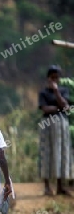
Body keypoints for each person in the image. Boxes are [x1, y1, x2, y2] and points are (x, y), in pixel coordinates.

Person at [39, 65, 71, 195]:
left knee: (61, 152)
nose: (55, 80)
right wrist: (60, 108)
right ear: (48, 78)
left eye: (57, 77)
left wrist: (56, 91)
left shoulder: (63, 91)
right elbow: (45, 109)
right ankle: (47, 186)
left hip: (62, 124)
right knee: (47, 152)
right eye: (53, 77)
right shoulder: (43, 93)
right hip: (48, 124)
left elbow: (66, 106)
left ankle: (59, 186)